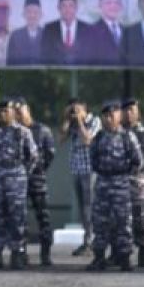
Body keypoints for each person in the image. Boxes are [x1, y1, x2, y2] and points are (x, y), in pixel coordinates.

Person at [87, 100, 142, 271]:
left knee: (123, 221)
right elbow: (93, 159)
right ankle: (99, 257)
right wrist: (105, 171)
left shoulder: (127, 136)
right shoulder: (98, 138)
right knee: (100, 222)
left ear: (119, 116)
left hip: (121, 184)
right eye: (106, 115)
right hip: (103, 182)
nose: (109, 118)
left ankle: (124, 258)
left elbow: (137, 160)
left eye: (113, 114)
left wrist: (124, 174)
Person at [0, 99, 35, 269]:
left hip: (17, 177)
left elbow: (32, 156)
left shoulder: (23, 132)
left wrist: (21, 172)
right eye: (0, 111)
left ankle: (17, 254)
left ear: (13, 112)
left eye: (6, 110)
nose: (3, 113)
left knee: (17, 217)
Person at [17, 99, 56, 266]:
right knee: (20, 219)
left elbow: (49, 154)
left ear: (28, 110)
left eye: (21, 111)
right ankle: (21, 253)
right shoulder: (14, 131)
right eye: (15, 112)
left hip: (37, 180)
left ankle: (45, 254)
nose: (18, 115)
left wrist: (38, 170)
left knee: (44, 218)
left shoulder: (42, 131)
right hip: (18, 181)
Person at [121, 98, 144, 267]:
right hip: (119, 184)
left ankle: (143, 255)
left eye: (132, 110)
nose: (129, 114)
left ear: (138, 113)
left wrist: (140, 174)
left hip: (138, 184)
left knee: (142, 221)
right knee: (120, 221)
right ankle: (120, 255)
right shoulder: (118, 132)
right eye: (126, 110)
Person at [62, 98, 99, 256]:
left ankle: (94, 240)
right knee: (83, 209)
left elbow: (88, 139)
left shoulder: (95, 121)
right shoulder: (73, 125)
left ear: (85, 110)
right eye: (73, 110)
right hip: (77, 170)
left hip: (90, 170)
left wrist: (80, 122)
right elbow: (62, 139)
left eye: (77, 110)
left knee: (90, 207)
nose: (75, 113)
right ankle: (87, 240)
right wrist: (67, 119)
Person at [39, 0, 89, 65]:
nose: (67, 10)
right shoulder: (49, 29)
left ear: (76, 8)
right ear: (58, 8)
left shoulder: (87, 29)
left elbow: (89, 57)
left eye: (71, 6)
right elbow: (44, 56)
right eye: (64, 6)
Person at [81, 0, 125, 65]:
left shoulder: (127, 31)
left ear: (121, 6)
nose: (113, 6)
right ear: (100, 5)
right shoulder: (89, 32)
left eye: (116, 2)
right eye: (108, 2)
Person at [5, 0, 45, 65]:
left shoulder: (48, 35)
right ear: (23, 14)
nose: (32, 15)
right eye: (29, 12)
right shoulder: (15, 36)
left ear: (41, 14)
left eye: (35, 12)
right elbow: (10, 63)